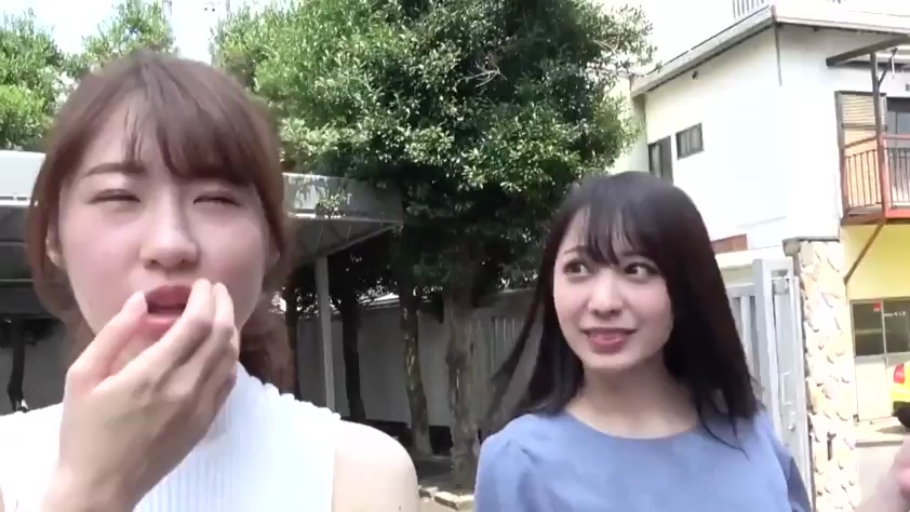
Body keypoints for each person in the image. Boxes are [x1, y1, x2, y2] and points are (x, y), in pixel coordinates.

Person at [0, 51, 418, 512]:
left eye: (216, 199)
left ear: (271, 240)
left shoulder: (358, 476)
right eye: (119, 195)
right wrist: (89, 491)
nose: (170, 244)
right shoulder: (7, 468)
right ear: (54, 238)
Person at [474, 172, 910, 511]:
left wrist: (895, 489)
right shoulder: (517, 463)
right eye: (578, 269)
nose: (603, 301)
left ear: (687, 287)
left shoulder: (746, 431)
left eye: (637, 269)